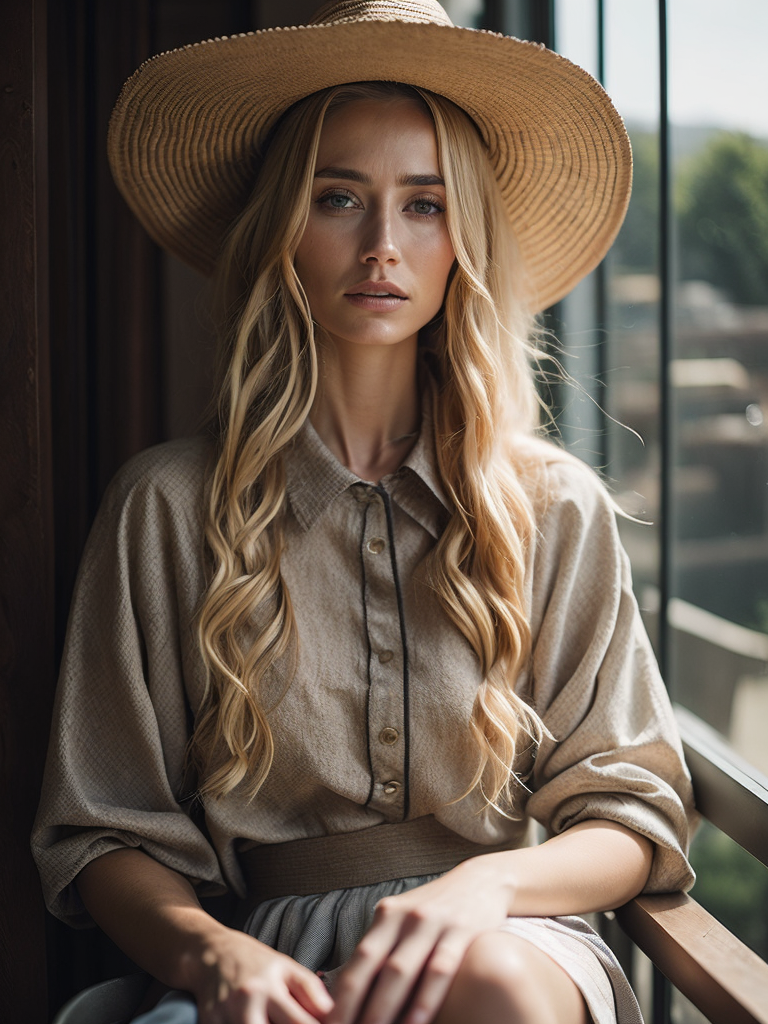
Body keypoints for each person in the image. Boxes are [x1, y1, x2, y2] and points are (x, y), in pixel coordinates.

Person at [32, 2, 697, 1023]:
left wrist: (486, 887)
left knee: (490, 983)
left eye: (425, 205)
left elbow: (634, 810)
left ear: (463, 239)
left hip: (509, 939)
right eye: (339, 197)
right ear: (283, 230)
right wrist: (213, 955)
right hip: (262, 960)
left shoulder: (554, 506)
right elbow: (103, 830)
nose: (383, 244)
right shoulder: (164, 506)